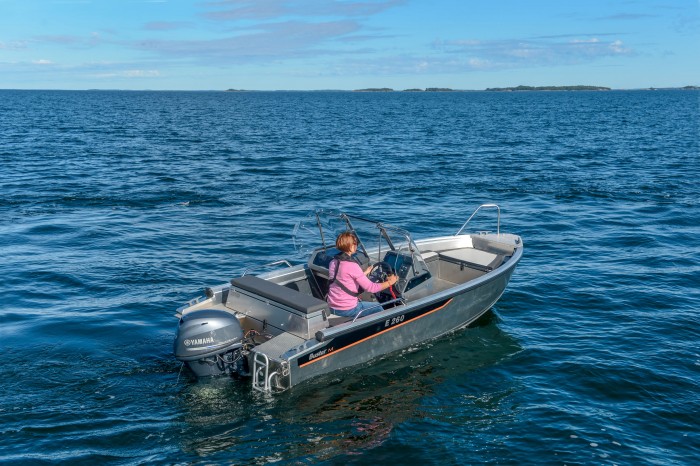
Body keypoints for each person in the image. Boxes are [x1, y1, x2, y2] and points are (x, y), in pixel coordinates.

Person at [327, 231, 398, 318]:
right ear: (351, 246)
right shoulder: (352, 266)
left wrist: (364, 273)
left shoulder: (333, 262)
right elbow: (371, 288)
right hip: (347, 309)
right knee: (378, 307)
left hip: (332, 305)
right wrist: (390, 282)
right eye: (355, 243)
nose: (356, 245)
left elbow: (344, 278)